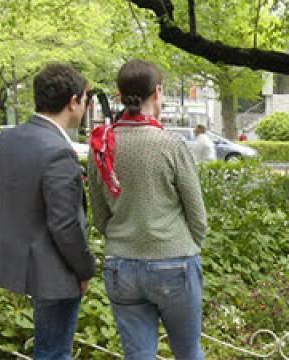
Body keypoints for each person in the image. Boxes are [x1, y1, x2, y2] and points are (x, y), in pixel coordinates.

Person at [88, 59, 207, 360]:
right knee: (188, 352)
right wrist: (187, 245)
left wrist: (124, 236)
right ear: (157, 91)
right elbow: (197, 216)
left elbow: (99, 216)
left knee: (138, 355)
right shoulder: (171, 144)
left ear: (119, 93)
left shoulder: (101, 145)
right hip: (174, 261)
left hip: (122, 265)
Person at [0, 63, 96, 359]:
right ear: (73, 101)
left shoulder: (8, 138)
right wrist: (85, 270)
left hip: (27, 261)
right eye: (84, 100)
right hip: (57, 270)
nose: (84, 108)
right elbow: (64, 224)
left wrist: (17, 236)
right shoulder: (59, 151)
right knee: (54, 352)